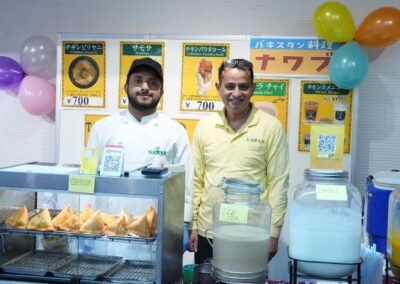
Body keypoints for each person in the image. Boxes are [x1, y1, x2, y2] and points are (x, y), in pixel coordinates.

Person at [189, 59, 289, 264]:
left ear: (252, 89)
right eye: (230, 86)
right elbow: (196, 180)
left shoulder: (271, 127)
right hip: (209, 230)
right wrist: (193, 224)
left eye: (243, 86)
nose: (236, 93)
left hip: (252, 231)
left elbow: (279, 182)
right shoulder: (205, 127)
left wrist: (274, 231)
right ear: (218, 88)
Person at [88, 57, 193, 251]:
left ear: (161, 91)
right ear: (126, 87)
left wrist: (184, 222)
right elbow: (89, 177)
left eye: (153, 83)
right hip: (108, 233)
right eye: (138, 80)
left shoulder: (175, 131)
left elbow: (184, 183)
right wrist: (86, 222)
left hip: (154, 235)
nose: (145, 87)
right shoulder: (102, 128)